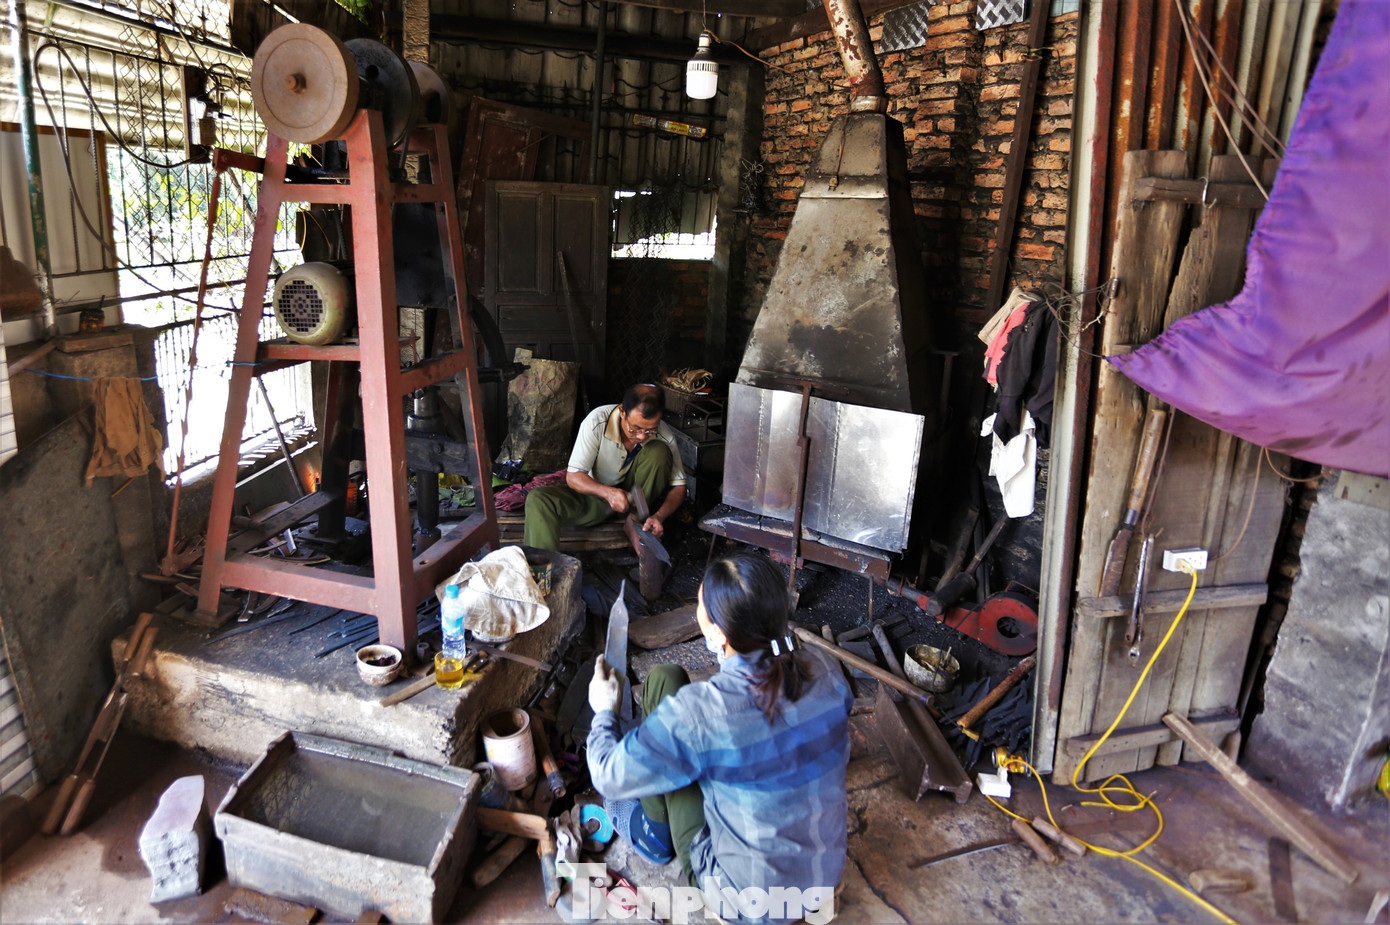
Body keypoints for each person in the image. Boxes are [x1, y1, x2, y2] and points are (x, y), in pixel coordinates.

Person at [586, 554, 853, 924]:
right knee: (669, 685)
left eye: (699, 606)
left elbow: (607, 775)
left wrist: (603, 710)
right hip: (822, 880)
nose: (697, 610)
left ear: (718, 634)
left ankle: (653, 836)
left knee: (648, 771)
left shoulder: (703, 712)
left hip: (750, 904)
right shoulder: (826, 669)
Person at [524, 384, 688, 551]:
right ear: (622, 411)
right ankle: (542, 572)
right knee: (538, 499)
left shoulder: (663, 434)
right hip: (596, 497)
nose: (642, 436)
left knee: (659, 451)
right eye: (636, 428)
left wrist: (659, 516)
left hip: (635, 502)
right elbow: (574, 477)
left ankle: (634, 521)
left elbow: (680, 487)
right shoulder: (597, 422)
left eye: (650, 430)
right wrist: (609, 493)